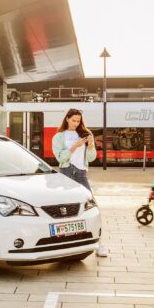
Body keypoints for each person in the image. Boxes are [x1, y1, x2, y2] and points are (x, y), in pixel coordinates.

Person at [52, 108, 108, 257]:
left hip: (81, 174)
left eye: (78, 121)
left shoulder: (86, 134)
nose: (76, 123)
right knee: (64, 211)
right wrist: (74, 146)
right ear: (67, 119)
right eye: (73, 120)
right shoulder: (59, 137)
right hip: (66, 173)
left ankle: (98, 244)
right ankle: (64, 243)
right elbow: (60, 159)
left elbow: (91, 158)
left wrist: (90, 145)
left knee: (92, 207)